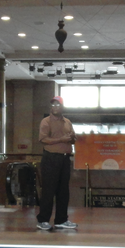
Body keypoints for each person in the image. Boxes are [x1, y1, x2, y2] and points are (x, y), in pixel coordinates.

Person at [36, 96, 77, 231]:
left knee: (63, 191)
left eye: (58, 105)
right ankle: (43, 220)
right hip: (51, 159)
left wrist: (71, 139)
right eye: (53, 105)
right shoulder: (46, 121)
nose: (55, 107)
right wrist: (61, 139)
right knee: (48, 190)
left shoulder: (67, 122)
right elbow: (43, 139)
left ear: (62, 107)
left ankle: (61, 220)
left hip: (65, 159)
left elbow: (72, 140)